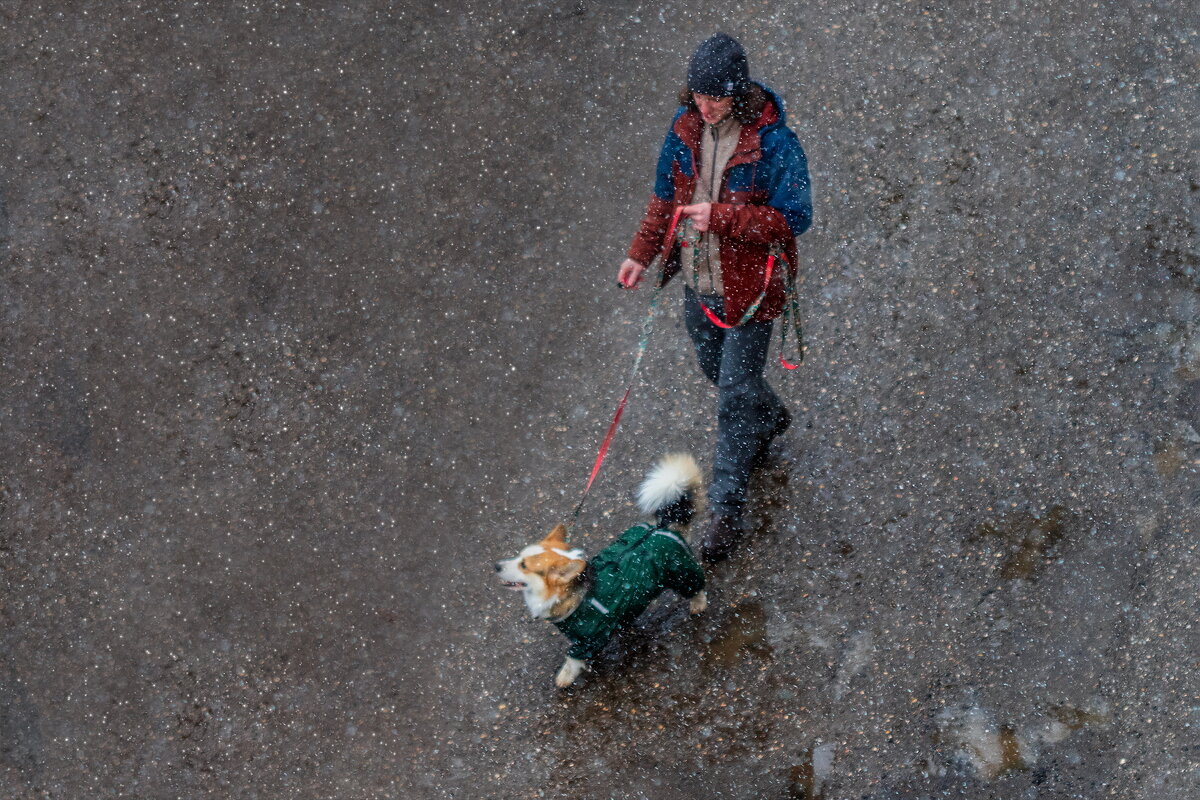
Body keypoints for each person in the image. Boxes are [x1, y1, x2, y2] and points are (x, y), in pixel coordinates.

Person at [617, 32, 812, 563]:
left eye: (715, 98)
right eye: (698, 96)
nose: (704, 107)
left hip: (750, 291)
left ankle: (726, 511)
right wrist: (640, 254)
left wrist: (725, 217)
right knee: (718, 372)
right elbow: (664, 198)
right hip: (697, 284)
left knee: (731, 396)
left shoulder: (775, 143)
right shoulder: (684, 128)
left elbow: (796, 218)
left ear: (738, 93)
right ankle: (770, 417)